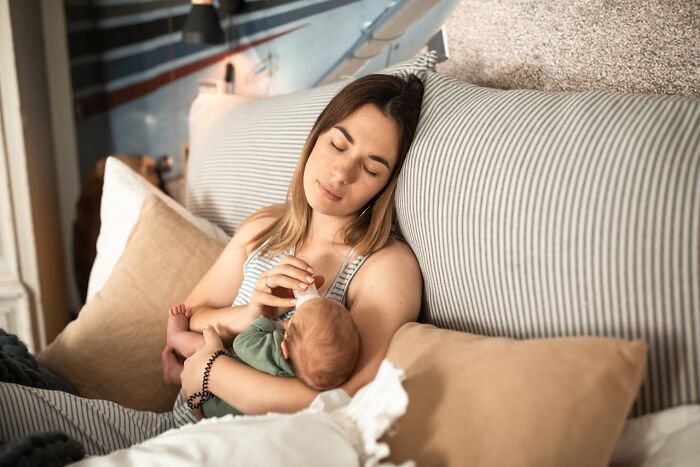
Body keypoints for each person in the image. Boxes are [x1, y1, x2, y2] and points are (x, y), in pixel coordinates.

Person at [0, 72, 424, 456]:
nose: (342, 172)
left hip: (227, 446)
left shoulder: (384, 267)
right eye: (338, 144)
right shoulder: (264, 227)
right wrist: (253, 313)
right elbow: (190, 316)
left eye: (371, 168)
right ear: (315, 138)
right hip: (169, 428)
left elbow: (345, 399)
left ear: (385, 185)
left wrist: (210, 371)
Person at [163, 296, 361, 418]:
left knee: (206, 346)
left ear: (284, 348)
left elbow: (242, 343)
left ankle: (175, 338)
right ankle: (175, 373)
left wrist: (274, 325)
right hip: (229, 412)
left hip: (213, 402)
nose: (288, 322)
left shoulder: (274, 351)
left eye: (292, 320)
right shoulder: (310, 377)